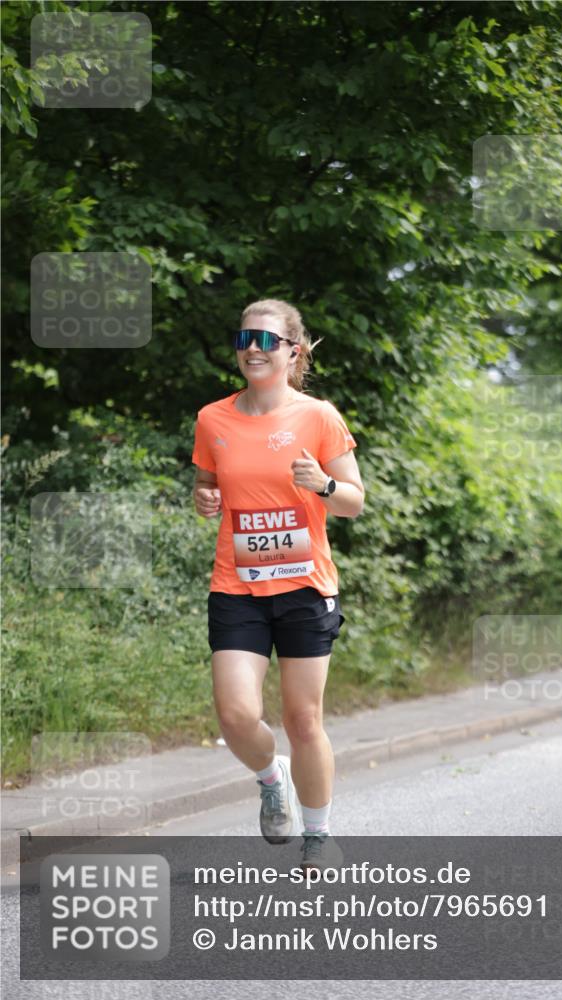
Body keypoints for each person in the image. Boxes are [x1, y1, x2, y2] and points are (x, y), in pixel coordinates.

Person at [191, 299, 365, 872]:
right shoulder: (213, 419)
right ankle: (271, 777)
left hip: (305, 587)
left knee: (301, 719)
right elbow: (207, 490)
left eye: (267, 340)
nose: (253, 349)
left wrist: (322, 484)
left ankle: (318, 836)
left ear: (293, 352)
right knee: (236, 714)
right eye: (245, 338)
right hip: (236, 584)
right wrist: (204, 500)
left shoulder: (319, 417)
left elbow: (354, 503)